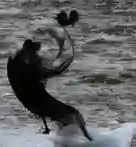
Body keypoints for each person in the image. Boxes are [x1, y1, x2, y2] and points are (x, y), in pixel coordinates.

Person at [6, 10, 92, 139]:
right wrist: (57, 68)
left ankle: (67, 142)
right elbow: (46, 72)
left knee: (64, 118)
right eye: (36, 52)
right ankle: (90, 142)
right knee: (74, 115)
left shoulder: (15, 62)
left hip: (32, 103)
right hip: (38, 103)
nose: (38, 55)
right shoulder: (27, 68)